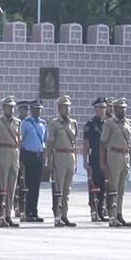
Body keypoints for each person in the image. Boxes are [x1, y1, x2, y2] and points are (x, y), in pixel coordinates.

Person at [45, 95, 78, 227]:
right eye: (65, 107)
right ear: (59, 108)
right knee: (58, 187)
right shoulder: (54, 123)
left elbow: (75, 144)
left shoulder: (73, 123)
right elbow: (50, 144)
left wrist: (75, 161)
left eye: (69, 107)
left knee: (67, 189)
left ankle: (65, 214)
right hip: (59, 155)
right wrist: (49, 161)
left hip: (70, 156)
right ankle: (57, 216)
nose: (68, 109)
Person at [100, 98, 131, 227]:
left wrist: (130, 159)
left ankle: (119, 214)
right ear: (115, 109)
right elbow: (102, 143)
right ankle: (112, 216)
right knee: (113, 188)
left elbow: (130, 143)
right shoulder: (109, 123)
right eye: (121, 108)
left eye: (125, 108)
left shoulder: (128, 123)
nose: (124, 110)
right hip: (114, 155)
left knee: (121, 189)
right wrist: (102, 161)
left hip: (124, 156)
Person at [0, 96, 21, 227]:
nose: (12, 109)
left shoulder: (17, 122)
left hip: (14, 154)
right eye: (9, 107)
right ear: (3, 108)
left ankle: (8, 214)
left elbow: (19, 141)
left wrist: (20, 158)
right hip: (3, 152)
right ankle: (1, 214)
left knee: (11, 187)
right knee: (2, 187)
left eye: (13, 107)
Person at [20, 99, 47, 222]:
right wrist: (20, 159)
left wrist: (45, 159)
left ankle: (34, 211)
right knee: (28, 185)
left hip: (39, 156)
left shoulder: (43, 124)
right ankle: (27, 212)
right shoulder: (25, 123)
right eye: (36, 109)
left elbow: (45, 142)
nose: (38, 111)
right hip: (28, 155)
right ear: (31, 110)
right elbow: (21, 141)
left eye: (40, 109)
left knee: (36, 185)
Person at [83, 97, 109, 222]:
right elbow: (86, 144)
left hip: (105, 156)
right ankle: (94, 210)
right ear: (95, 109)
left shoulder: (107, 124)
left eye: (104, 108)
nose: (103, 110)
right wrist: (85, 161)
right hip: (94, 156)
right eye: (101, 108)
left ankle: (101, 209)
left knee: (104, 184)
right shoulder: (90, 124)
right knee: (94, 184)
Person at [14, 100, 29, 218]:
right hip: (17, 153)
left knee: (24, 183)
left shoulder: (29, 122)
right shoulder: (16, 122)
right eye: (24, 109)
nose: (26, 112)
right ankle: (16, 206)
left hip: (25, 153)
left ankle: (23, 206)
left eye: (27, 109)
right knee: (16, 182)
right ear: (20, 110)